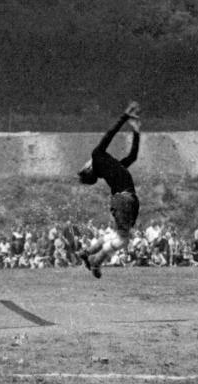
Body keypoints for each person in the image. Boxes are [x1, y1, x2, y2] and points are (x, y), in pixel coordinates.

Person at [75, 102, 141, 278]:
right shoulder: (97, 155)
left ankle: (87, 252)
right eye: (85, 165)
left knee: (117, 235)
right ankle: (96, 261)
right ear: (89, 169)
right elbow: (110, 133)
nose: (86, 162)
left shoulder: (112, 169)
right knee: (122, 240)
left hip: (123, 199)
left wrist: (136, 131)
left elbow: (132, 157)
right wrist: (125, 116)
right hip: (125, 199)